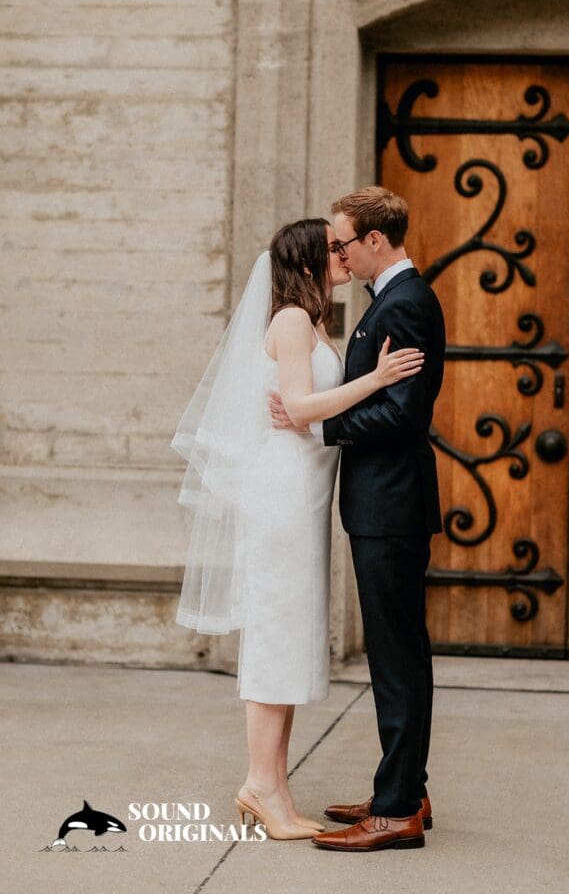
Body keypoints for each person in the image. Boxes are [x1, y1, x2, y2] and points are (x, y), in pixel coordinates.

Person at [170, 217, 424, 842]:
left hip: (304, 494)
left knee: (288, 631)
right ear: (309, 259)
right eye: (331, 249)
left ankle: (274, 786)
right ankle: (260, 784)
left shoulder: (313, 323)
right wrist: (376, 379)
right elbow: (301, 407)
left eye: (344, 247)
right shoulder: (289, 321)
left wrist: (336, 396)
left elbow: (304, 410)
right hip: (280, 496)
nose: (341, 256)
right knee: (274, 630)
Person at [270, 186, 446, 852]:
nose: (336, 252)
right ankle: (407, 788)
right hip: (385, 503)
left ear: (376, 241)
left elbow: (402, 412)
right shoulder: (393, 301)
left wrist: (318, 430)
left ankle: (398, 808)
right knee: (398, 652)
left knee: (398, 658)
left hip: (391, 505)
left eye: (343, 241)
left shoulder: (406, 303)